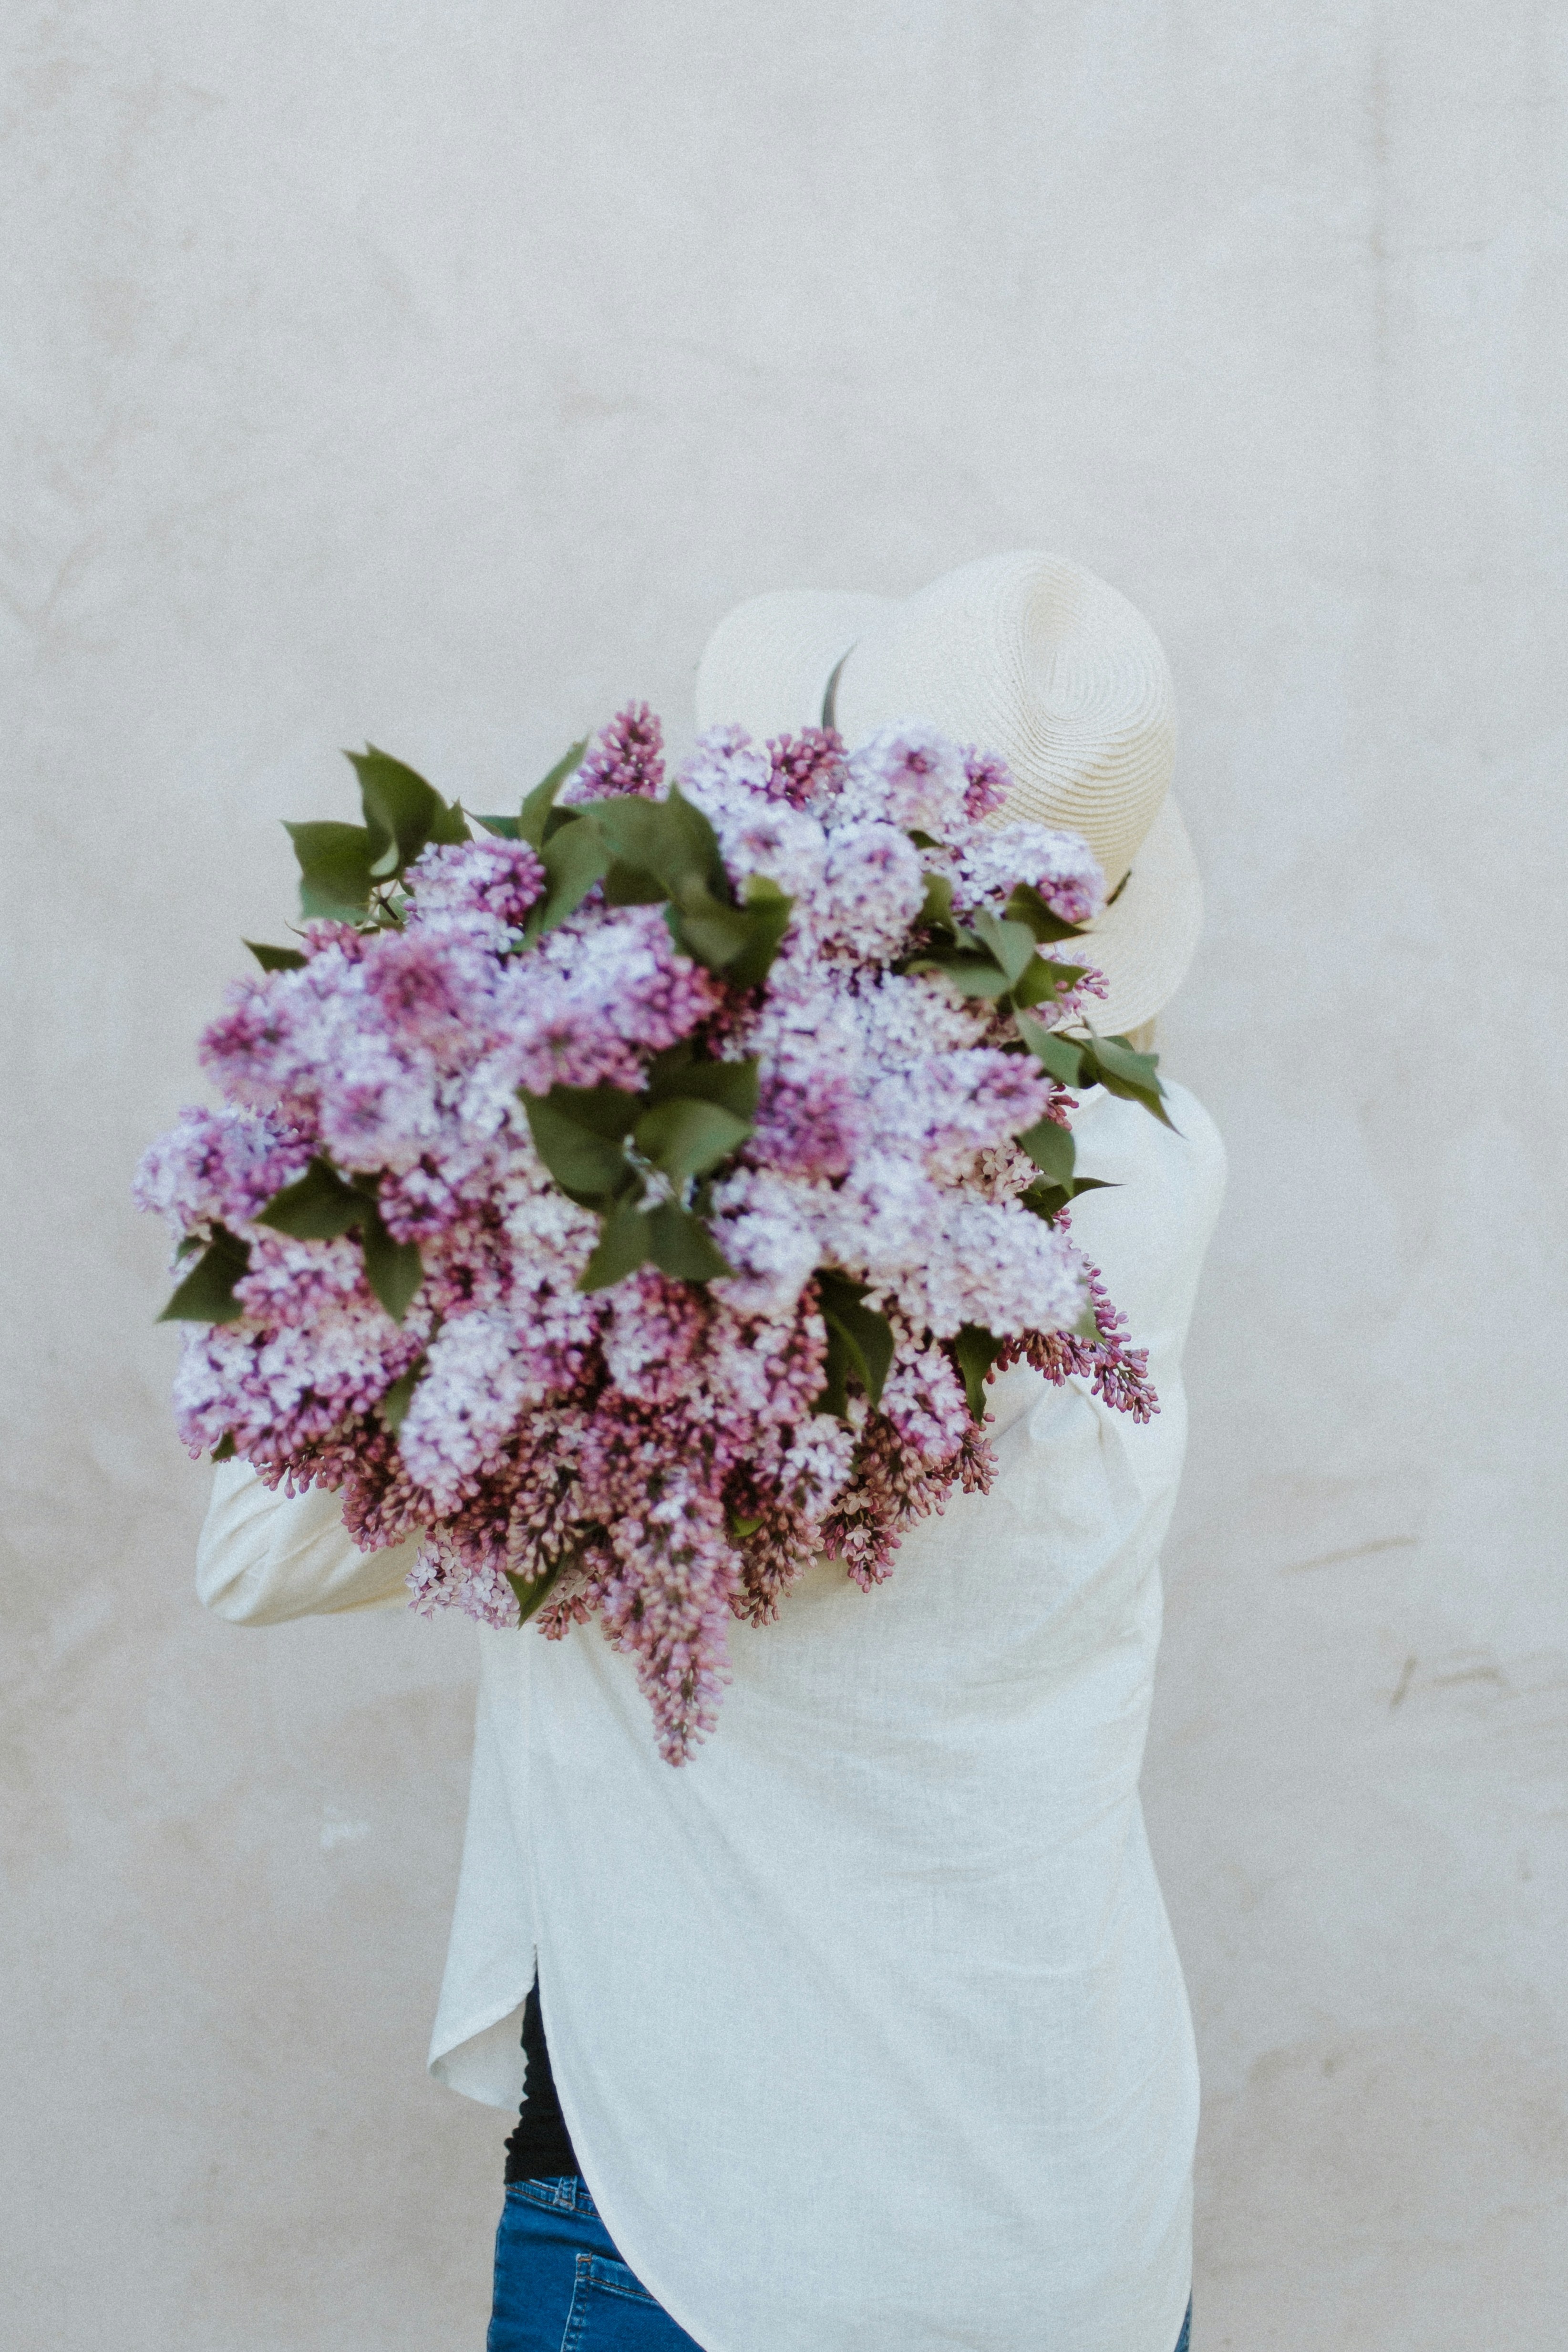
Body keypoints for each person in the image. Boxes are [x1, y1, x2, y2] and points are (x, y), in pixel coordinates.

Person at [196, 551, 1224, 2352]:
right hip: (1082, 2229)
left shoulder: (652, 1236)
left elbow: (258, 1545)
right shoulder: (1166, 1163)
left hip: (716, 2237)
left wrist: (460, 1114)